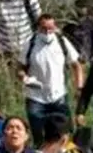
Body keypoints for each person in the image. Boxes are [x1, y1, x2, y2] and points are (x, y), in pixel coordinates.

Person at [20, 14, 83, 144]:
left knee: (65, 135)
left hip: (58, 96)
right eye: (44, 29)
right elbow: (19, 68)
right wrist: (25, 78)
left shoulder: (61, 41)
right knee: (39, 137)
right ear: (38, 28)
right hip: (36, 98)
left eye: (51, 28)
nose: (48, 32)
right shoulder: (30, 43)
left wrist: (79, 87)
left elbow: (76, 66)